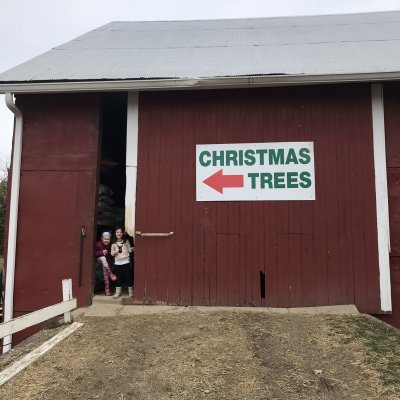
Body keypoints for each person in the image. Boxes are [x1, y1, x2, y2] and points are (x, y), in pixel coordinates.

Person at [111, 227, 134, 299]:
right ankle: (118, 292)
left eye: (120, 232)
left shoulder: (126, 241)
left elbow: (129, 250)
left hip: (126, 261)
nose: (119, 233)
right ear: (115, 233)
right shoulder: (113, 243)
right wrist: (116, 251)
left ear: (123, 233)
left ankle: (131, 292)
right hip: (117, 263)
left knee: (128, 276)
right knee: (118, 278)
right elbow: (112, 254)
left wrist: (132, 249)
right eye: (117, 232)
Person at [95, 232, 117, 296]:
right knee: (102, 258)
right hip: (99, 261)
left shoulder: (110, 246)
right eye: (105, 239)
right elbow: (95, 253)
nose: (106, 240)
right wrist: (102, 252)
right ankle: (110, 273)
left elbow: (110, 256)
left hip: (106, 264)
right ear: (102, 238)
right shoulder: (98, 244)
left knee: (106, 276)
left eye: (108, 239)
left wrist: (111, 253)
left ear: (110, 240)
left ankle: (107, 291)